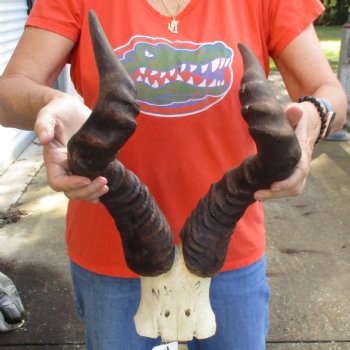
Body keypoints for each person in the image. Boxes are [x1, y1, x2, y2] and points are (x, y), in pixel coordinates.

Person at [0, 0, 347, 349]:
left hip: (228, 253)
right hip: (113, 256)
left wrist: (316, 114)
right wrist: (49, 103)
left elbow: (331, 95)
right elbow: (10, 91)